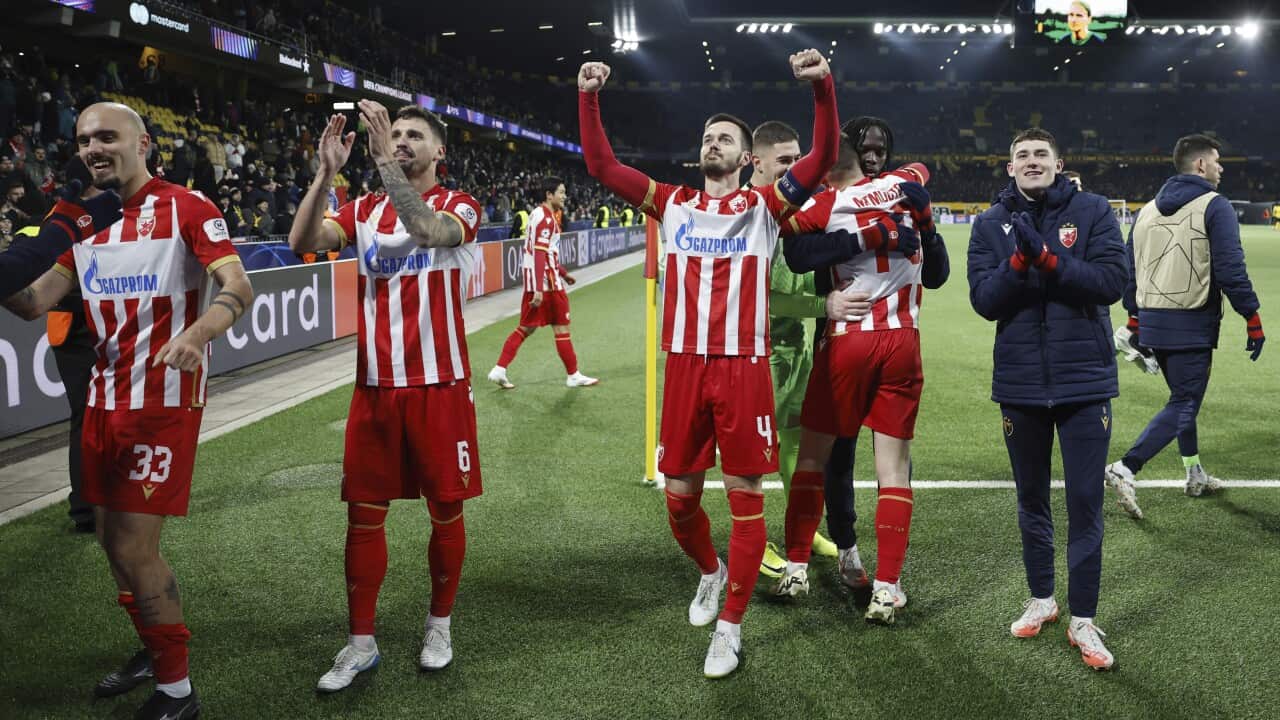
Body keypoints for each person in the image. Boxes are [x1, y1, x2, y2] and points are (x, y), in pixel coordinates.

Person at [579, 49, 839, 678]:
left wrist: (822, 88)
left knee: (747, 498)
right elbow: (602, 164)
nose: (712, 142)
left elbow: (823, 156)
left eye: (724, 137)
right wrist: (589, 98)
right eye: (706, 137)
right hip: (686, 369)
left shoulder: (765, 207)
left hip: (745, 367)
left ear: (746, 157)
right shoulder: (668, 201)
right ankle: (710, 572)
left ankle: (730, 629)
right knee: (679, 500)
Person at [2, 101, 255, 718]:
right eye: (85, 139)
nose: (93, 148)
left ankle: (177, 691)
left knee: (136, 547)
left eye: (107, 136)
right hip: (102, 399)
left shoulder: (188, 207)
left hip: (162, 402)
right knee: (113, 543)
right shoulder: (85, 220)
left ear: (143, 143)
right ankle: (151, 646)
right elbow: (35, 303)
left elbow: (237, 286)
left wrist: (197, 335)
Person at [288, 100, 484, 692]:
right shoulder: (364, 208)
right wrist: (325, 173)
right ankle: (360, 642)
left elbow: (427, 230)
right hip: (375, 389)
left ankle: (439, 624)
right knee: (363, 518)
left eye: (412, 135)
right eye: (393, 133)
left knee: (444, 511)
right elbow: (303, 241)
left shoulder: (460, 205)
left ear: (438, 151)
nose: (398, 140)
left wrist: (382, 166)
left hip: (439, 386)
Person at [774, 119, 949, 627]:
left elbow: (794, 247)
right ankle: (887, 587)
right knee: (893, 470)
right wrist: (904, 222)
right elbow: (920, 172)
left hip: (848, 342)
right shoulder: (909, 186)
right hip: (904, 343)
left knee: (813, 457)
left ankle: (798, 565)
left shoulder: (827, 201)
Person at [967, 127, 1127, 670]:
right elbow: (984, 301)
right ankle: (1042, 599)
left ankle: (1083, 617)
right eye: (1022, 156)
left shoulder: (1095, 211)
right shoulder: (989, 224)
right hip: (1021, 386)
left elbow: (1112, 283)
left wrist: (1049, 262)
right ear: (1008, 167)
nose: (1032, 161)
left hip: (1085, 384)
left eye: (1041, 154)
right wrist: (1017, 265)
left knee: (1085, 502)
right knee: (1031, 498)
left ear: (1059, 163)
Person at [1104, 134, 1264, 515]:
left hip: (1154, 323)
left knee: (1181, 400)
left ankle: (1194, 472)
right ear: (1200, 165)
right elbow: (1229, 269)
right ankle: (1126, 467)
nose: (1221, 167)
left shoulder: (1145, 211)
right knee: (1186, 402)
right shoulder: (1215, 206)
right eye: (1217, 160)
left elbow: (1132, 271)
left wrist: (1134, 319)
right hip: (1191, 321)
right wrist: (1252, 317)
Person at [746, 120, 839, 578]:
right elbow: (758, 297)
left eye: (799, 160)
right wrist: (824, 303)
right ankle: (755, 540)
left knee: (795, 441)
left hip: (795, 346)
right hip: (756, 351)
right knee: (755, 452)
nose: (795, 170)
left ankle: (804, 528)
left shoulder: (796, 209)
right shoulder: (746, 212)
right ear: (755, 162)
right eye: (785, 161)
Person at [488, 176, 599, 389]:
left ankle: (500, 369)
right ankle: (573, 375)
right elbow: (540, 254)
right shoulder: (547, 219)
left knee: (526, 328)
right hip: (547, 284)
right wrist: (541, 287)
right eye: (561, 192)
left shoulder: (537, 213)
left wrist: (564, 273)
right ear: (549, 194)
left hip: (538, 280)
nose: (564, 197)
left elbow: (545, 252)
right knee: (561, 328)